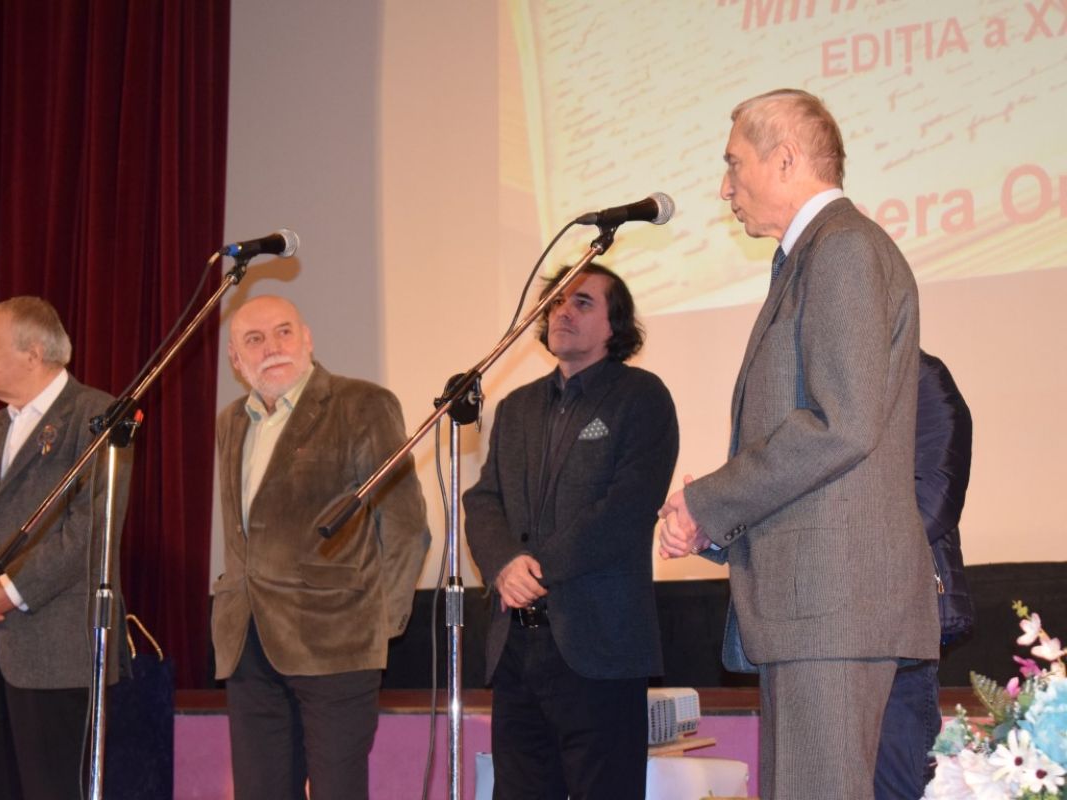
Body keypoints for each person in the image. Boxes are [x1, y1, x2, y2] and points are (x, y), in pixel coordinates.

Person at [657, 89, 940, 799]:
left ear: (784, 159)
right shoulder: (815, 256)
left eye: (734, 164)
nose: (725, 188)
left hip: (831, 604)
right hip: (811, 607)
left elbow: (841, 423)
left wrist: (709, 502)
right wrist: (713, 521)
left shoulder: (843, 249)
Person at [464, 264, 679, 799]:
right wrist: (503, 566)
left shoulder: (641, 397)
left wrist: (535, 569)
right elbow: (483, 499)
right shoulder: (516, 407)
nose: (563, 311)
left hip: (599, 646)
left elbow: (626, 509)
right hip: (517, 647)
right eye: (556, 301)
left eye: (582, 302)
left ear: (615, 325)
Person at [211, 295, 430, 800]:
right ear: (235, 359)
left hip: (338, 644)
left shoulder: (361, 404)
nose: (272, 347)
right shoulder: (231, 421)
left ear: (307, 339)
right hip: (247, 642)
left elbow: (405, 526)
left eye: (284, 332)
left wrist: (377, 626)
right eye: (254, 339)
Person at [0, 296, 132, 800]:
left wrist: (12, 589)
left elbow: (90, 530)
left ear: (34, 352)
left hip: (57, 655)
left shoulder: (97, 416)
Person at [874, 350, 974, 800]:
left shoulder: (921, 377)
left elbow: (937, 496)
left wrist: (846, 556)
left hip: (903, 618)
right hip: (834, 628)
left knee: (898, 779)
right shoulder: (828, 379)